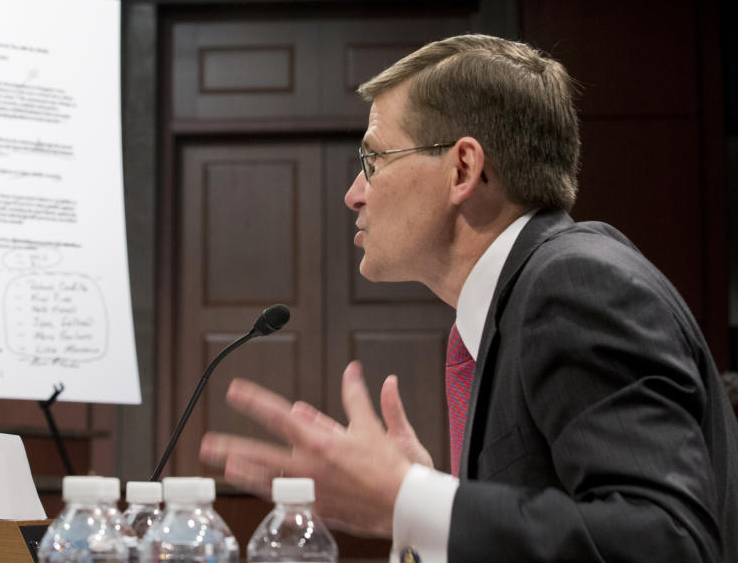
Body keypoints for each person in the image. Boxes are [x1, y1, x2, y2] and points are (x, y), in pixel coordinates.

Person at [199, 34, 738, 562]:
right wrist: (421, 497)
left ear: (462, 168)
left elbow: (669, 541)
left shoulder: (575, 287)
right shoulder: (525, 295)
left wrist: (407, 497)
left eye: (374, 160)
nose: (354, 193)